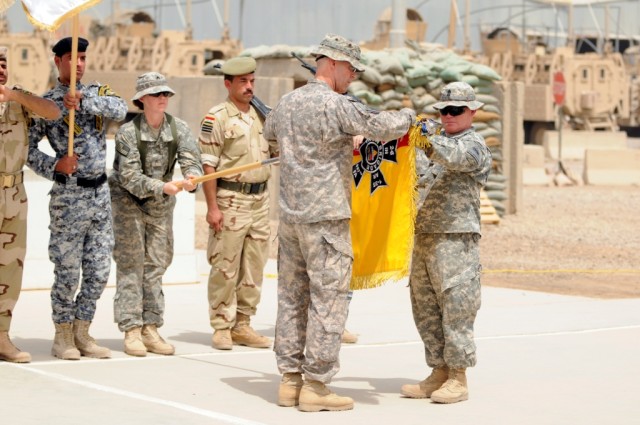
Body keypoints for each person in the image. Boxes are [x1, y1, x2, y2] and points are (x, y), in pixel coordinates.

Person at [263, 34, 415, 412]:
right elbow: (381, 126)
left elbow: (270, 134)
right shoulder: (336, 105)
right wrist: (410, 116)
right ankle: (316, 384)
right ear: (330, 63)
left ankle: (289, 380)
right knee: (328, 301)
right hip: (326, 219)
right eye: (350, 68)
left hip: (292, 219)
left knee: (291, 299)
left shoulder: (287, 102)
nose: (353, 77)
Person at [28, 37, 127, 360]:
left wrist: (84, 102)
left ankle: (84, 331)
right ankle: (63, 335)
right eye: (73, 58)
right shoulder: (47, 104)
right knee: (68, 270)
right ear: (58, 62)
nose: (80, 64)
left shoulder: (98, 92)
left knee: (99, 270)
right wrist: (54, 165)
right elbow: (28, 150)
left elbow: (122, 109)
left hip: (99, 193)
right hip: (69, 196)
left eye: (83, 58)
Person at [400, 81, 492, 404]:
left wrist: (424, 139)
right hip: (424, 237)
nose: (449, 116)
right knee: (424, 307)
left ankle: (458, 376)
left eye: (457, 110)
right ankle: (438, 370)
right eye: (444, 111)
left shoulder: (474, 145)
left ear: (472, 112)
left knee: (456, 307)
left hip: (456, 239)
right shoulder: (434, 142)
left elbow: (455, 158)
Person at [109, 72, 203, 357]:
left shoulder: (178, 128)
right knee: (131, 265)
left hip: (161, 205)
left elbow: (190, 157)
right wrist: (162, 186)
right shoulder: (128, 133)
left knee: (157, 264)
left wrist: (191, 176)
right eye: (156, 94)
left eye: (166, 94)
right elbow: (129, 177)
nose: (163, 98)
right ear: (142, 100)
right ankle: (131, 329)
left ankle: (151, 326)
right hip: (130, 204)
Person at [198, 56, 278, 351]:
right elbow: (208, 166)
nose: (249, 87)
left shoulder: (263, 115)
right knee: (225, 265)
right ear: (228, 83)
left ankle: (243, 323)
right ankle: (221, 325)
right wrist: (212, 208)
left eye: (252, 81)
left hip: (260, 199)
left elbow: (278, 150)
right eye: (242, 81)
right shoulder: (217, 117)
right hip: (230, 199)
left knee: (254, 266)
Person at [0, 46, 60, 363]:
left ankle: (1, 337)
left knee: (10, 268)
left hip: (14, 194)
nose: (0, 69)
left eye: (3, 63)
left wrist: (16, 96)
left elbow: (52, 112)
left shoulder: (18, 99)